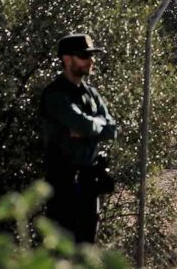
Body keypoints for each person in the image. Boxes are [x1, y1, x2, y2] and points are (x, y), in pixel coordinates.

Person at [39, 32, 117, 244]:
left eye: (91, 55)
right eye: (84, 55)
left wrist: (90, 127)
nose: (91, 61)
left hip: (88, 181)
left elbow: (111, 128)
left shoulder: (90, 93)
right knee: (62, 250)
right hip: (63, 181)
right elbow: (81, 123)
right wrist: (92, 125)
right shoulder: (55, 94)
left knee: (86, 247)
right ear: (66, 59)